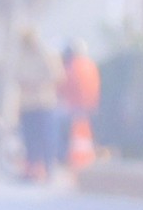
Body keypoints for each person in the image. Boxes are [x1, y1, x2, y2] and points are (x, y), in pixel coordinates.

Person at [13, 29, 61, 182]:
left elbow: (56, 75)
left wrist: (37, 83)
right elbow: (17, 76)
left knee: (46, 138)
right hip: (27, 104)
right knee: (29, 139)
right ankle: (32, 170)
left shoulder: (46, 55)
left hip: (43, 103)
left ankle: (48, 169)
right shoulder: (22, 57)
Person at [60, 39, 102, 172]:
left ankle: (71, 159)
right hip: (90, 106)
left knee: (65, 128)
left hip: (75, 106)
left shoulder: (72, 67)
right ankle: (85, 159)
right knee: (84, 134)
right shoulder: (91, 65)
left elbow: (63, 86)